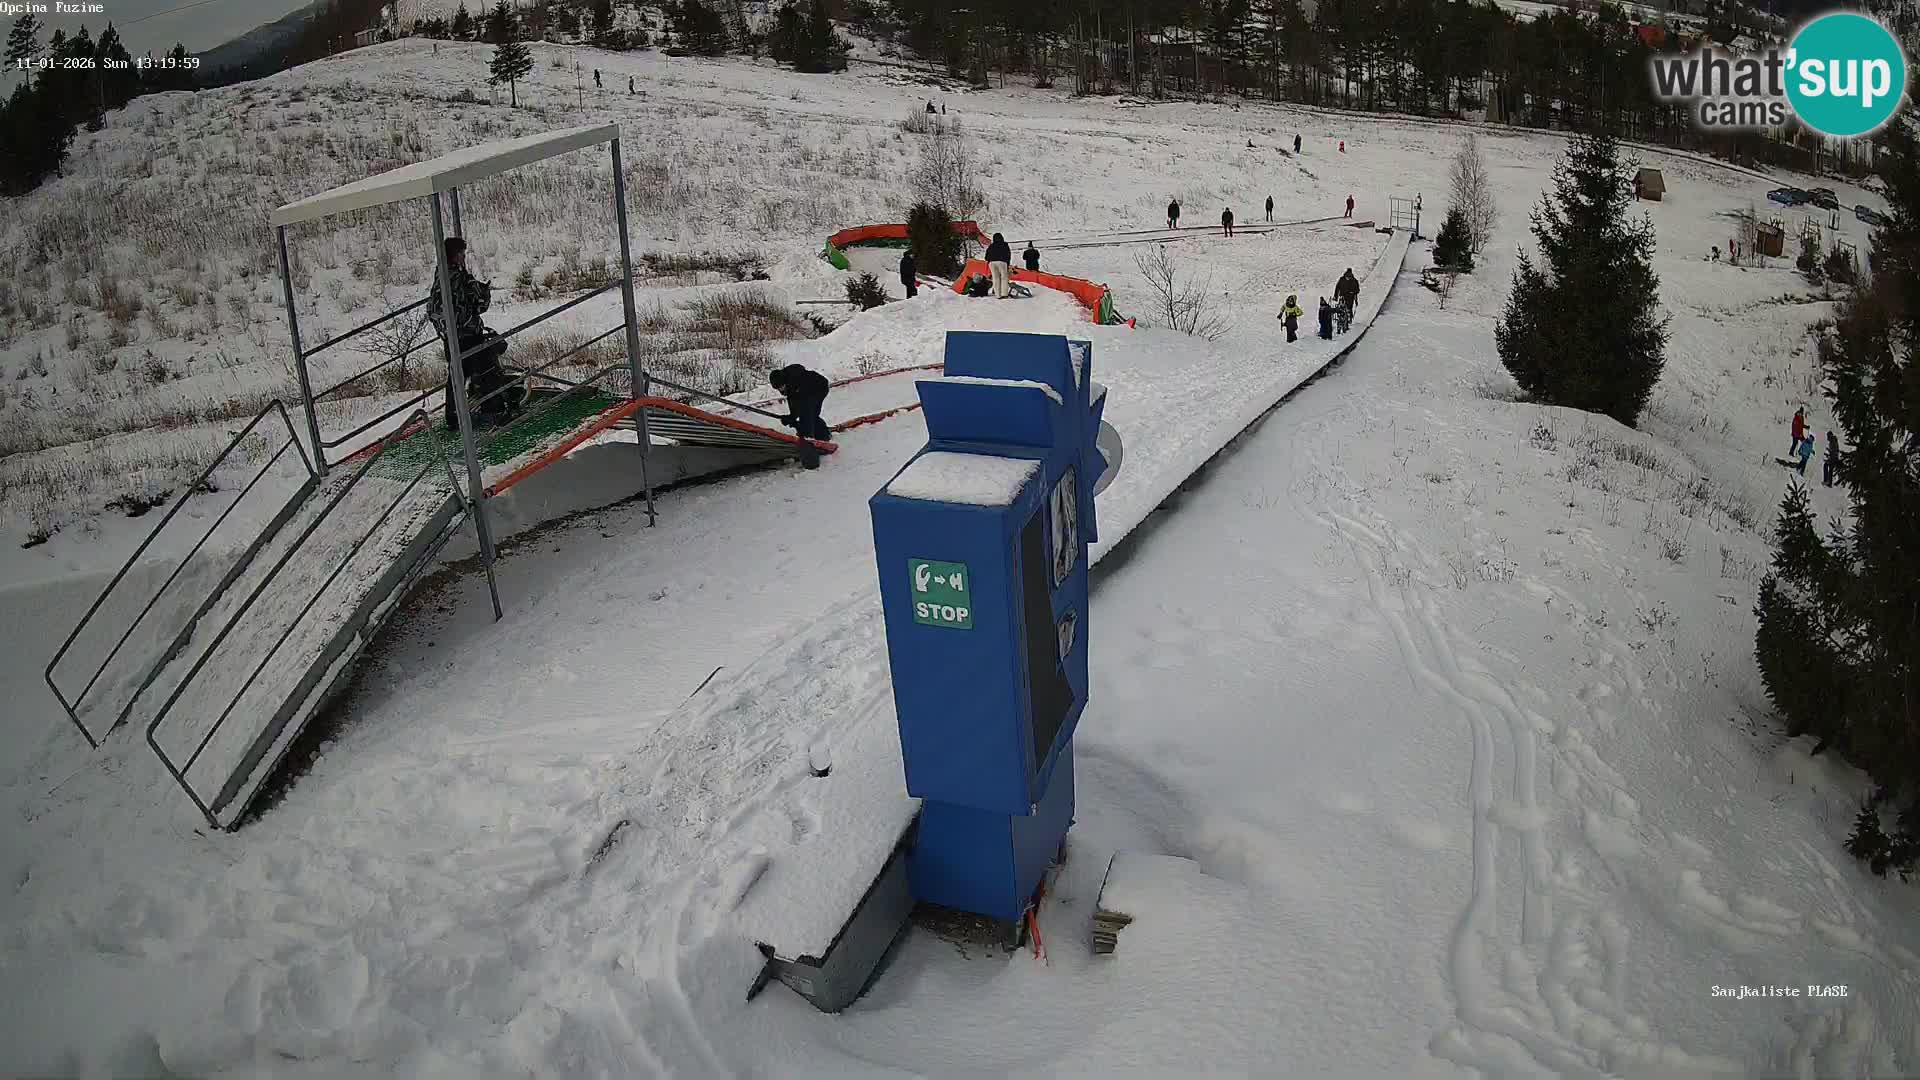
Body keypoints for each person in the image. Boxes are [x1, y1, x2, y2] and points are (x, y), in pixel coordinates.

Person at [426, 237, 517, 429]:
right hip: (467, 334)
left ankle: (453, 417)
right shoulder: (459, 278)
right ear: (455, 255)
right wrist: (483, 292)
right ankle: (493, 412)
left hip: (450, 337)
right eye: (461, 253)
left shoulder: (441, 275)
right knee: (487, 370)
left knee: (456, 376)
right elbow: (477, 304)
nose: (463, 257)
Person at [769, 364, 832, 469]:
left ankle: (820, 440)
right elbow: (792, 401)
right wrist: (791, 417)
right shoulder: (788, 384)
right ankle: (823, 434)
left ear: (784, 382)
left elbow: (804, 408)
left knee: (810, 416)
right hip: (807, 393)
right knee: (808, 417)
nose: (780, 389)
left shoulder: (798, 381)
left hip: (819, 388)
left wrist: (803, 430)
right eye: (777, 388)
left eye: (781, 386)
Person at [985, 232, 1013, 299]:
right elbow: (1008, 255)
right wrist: (1008, 264)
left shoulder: (991, 246)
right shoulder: (1005, 245)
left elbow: (986, 257)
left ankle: (997, 295)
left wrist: (990, 260)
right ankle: (1004, 294)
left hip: (992, 263)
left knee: (995, 278)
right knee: (1004, 278)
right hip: (1002, 262)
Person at [1334, 267, 1359, 332]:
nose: (1348, 278)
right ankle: (1343, 320)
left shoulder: (1354, 281)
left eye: (1349, 277)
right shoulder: (1343, 279)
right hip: (1343, 296)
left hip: (1350, 297)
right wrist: (1336, 296)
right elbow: (1337, 288)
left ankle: (1348, 319)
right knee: (1343, 308)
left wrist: (1353, 293)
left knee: (1349, 308)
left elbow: (1357, 290)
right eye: (1347, 277)